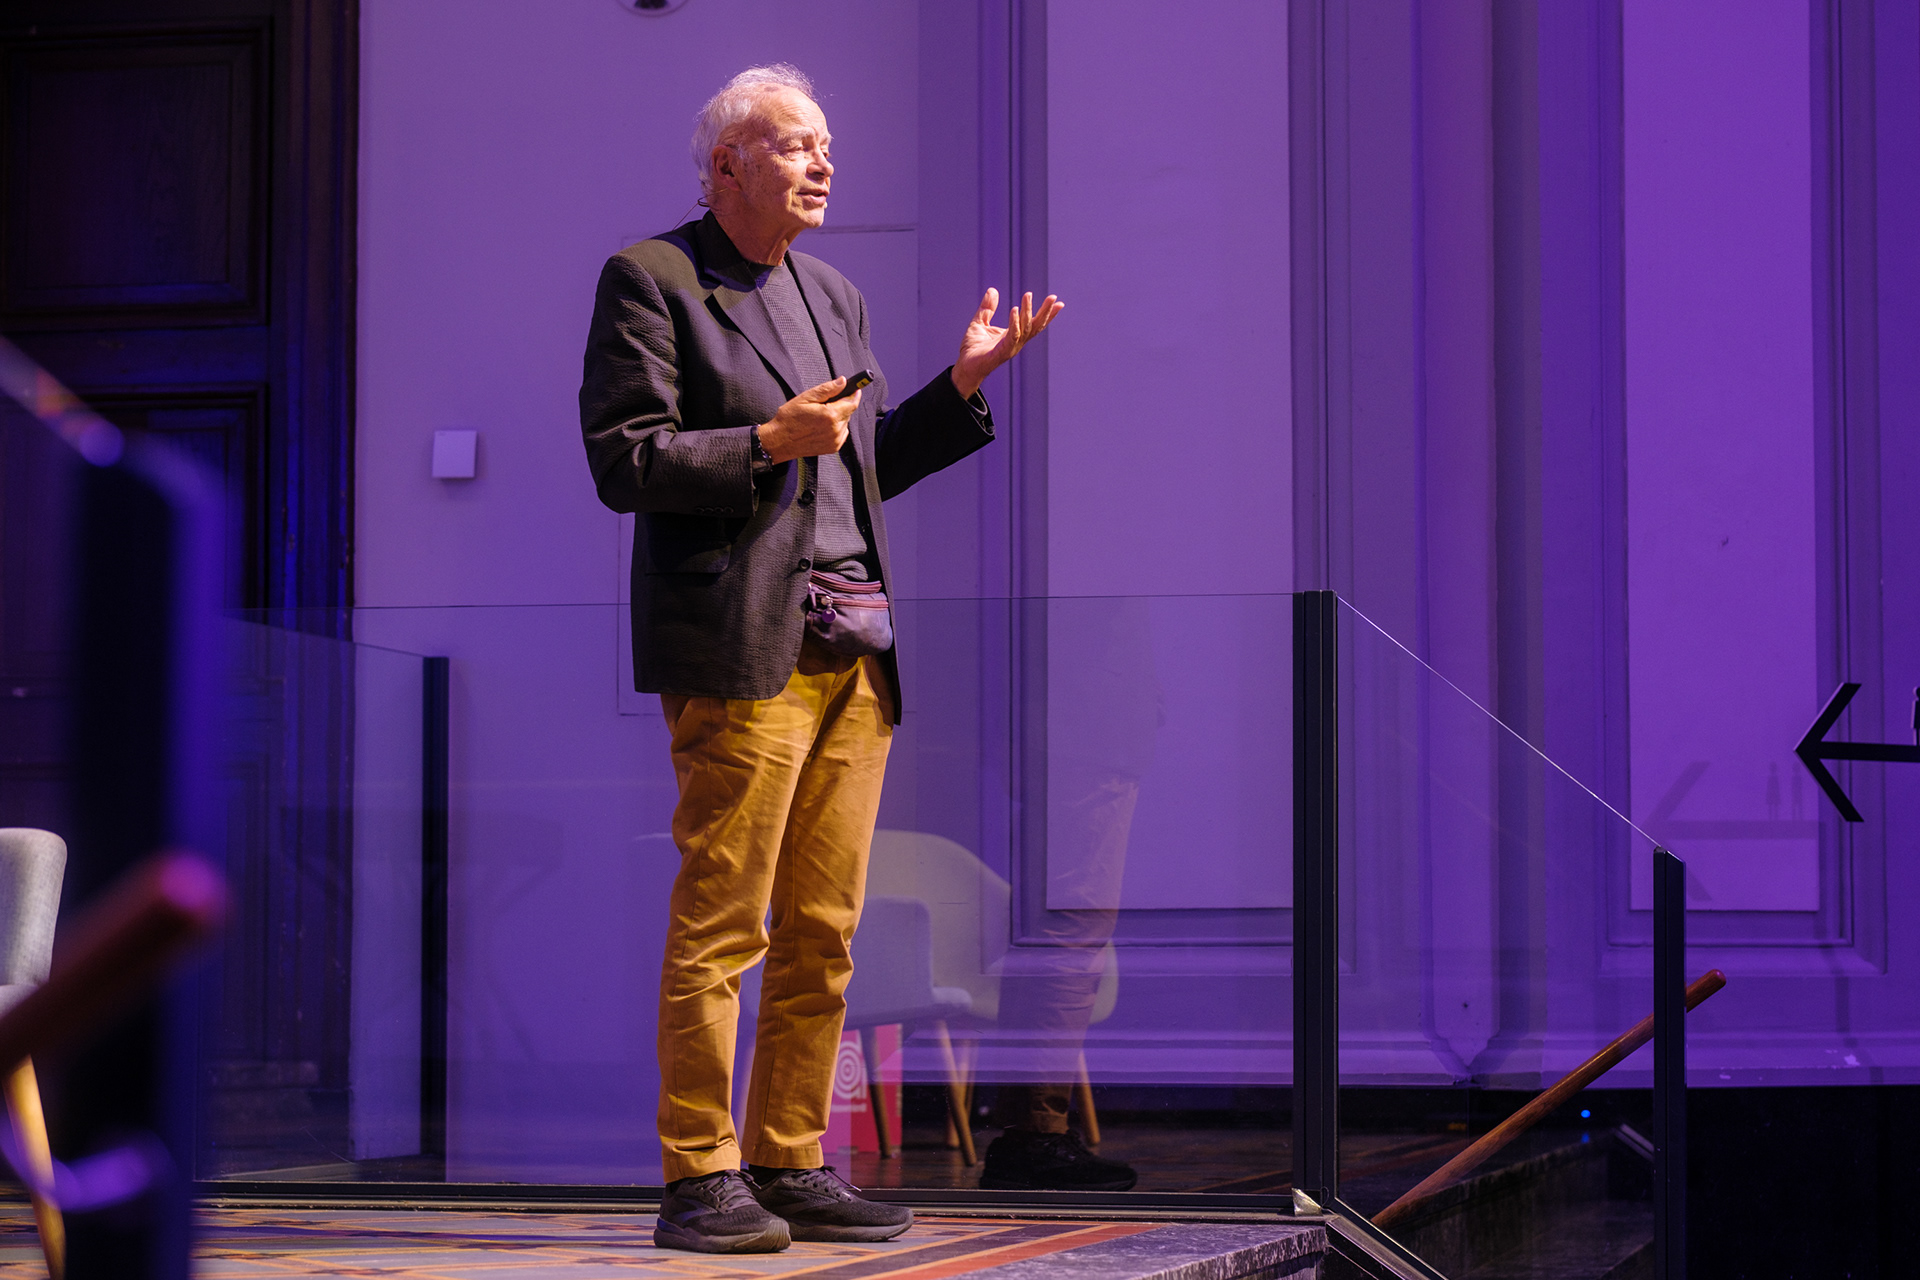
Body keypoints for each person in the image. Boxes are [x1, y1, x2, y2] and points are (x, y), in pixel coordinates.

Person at [578, 64, 1061, 1255]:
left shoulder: (835, 294)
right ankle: (700, 1173)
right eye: (796, 144)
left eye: (826, 144)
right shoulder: (654, 278)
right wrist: (762, 439)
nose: (823, 162)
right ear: (726, 163)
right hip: (743, 646)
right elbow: (625, 459)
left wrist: (961, 385)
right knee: (722, 925)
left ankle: (789, 1157)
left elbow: (861, 466)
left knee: (824, 929)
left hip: (855, 650)